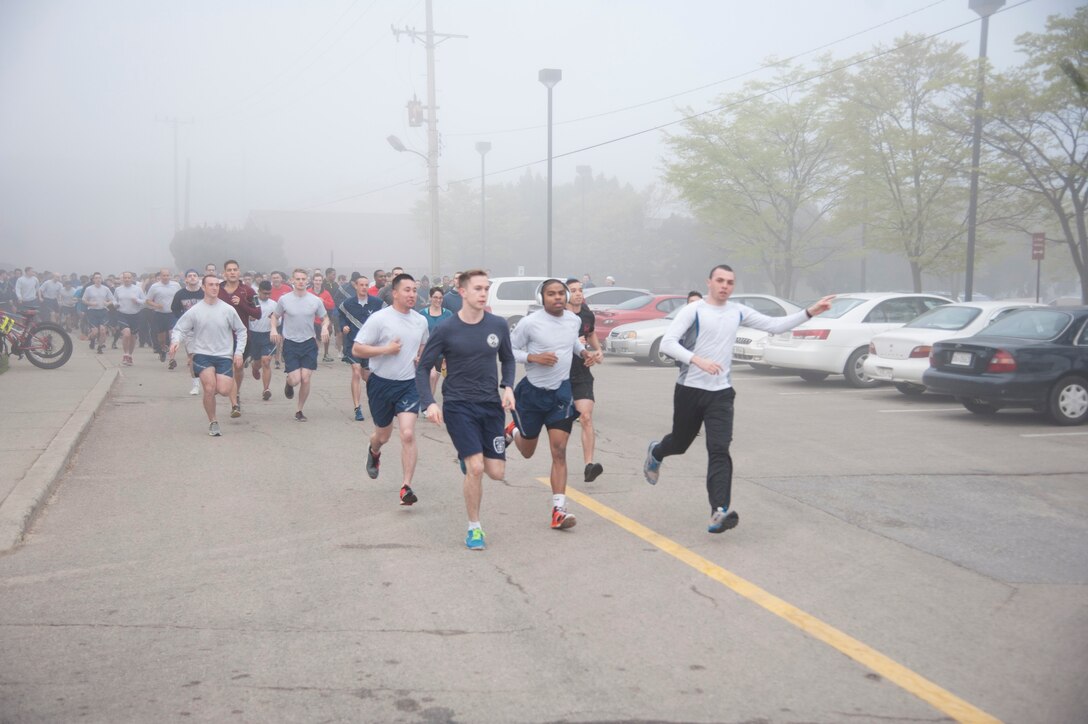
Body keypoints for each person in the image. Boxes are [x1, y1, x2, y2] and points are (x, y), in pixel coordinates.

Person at [642, 264, 834, 533]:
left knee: (719, 450)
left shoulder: (737, 311)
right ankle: (657, 451)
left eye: (730, 282)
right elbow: (668, 343)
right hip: (690, 390)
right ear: (709, 282)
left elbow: (776, 326)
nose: (725, 286)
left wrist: (810, 312)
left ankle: (718, 511)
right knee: (680, 443)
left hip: (721, 393)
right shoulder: (693, 310)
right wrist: (697, 360)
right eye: (720, 280)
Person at [416, 270, 516, 551]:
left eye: (486, 288)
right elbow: (423, 368)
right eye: (478, 289)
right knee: (476, 468)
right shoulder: (446, 329)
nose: (483, 293)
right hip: (459, 405)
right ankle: (474, 528)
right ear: (462, 292)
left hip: (490, 406)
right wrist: (429, 403)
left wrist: (507, 387)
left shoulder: (497, 325)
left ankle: (484, 447)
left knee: (496, 472)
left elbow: (507, 359)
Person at [505, 279, 598, 530]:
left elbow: (573, 342)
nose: (556, 298)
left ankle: (559, 510)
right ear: (541, 298)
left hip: (561, 394)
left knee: (559, 451)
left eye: (560, 293)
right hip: (532, 394)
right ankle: (513, 431)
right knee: (527, 451)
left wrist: (583, 353)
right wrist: (532, 357)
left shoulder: (573, 320)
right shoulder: (529, 323)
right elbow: (508, 350)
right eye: (551, 294)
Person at [353, 273, 429, 507]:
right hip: (381, 384)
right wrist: (386, 350)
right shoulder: (380, 319)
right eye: (407, 290)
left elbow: (423, 341)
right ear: (394, 293)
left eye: (414, 290)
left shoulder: (420, 321)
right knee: (383, 436)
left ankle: (406, 487)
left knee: (407, 433)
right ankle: (374, 451)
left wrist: (420, 356)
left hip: (408, 385)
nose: (412, 294)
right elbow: (357, 349)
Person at [170, 275, 247, 437]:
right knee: (210, 388)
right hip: (202, 354)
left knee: (224, 390)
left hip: (224, 355)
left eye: (216, 285)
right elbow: (179, 328)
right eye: (210, 285)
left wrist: (238, 352)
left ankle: (213, 395)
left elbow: (241, 330)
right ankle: (213, 421)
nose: (214, 288)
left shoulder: (227, 309)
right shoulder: (195, 310)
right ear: (203, 288)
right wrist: (175, 341)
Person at [270, 268, 330, 422]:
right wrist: (273, 329)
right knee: (295, 379)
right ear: (292, 280)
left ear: (307, 281)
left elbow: (325, 318)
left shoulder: (315, 300)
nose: (301, 282)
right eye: (298, 279)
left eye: (303, 279)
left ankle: (299, 410)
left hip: (309, 342)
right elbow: (275, 316)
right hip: (290, 342)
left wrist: (324, 327)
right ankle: (288, 383)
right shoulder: (284, 299)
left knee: (306, 378)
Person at [565, 278, 606, 482]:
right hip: (560, 374)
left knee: (586, 417)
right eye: (573, 290)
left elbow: (590, 334)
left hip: (582, 372)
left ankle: (589, 465)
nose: (578, 294)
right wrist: (571, 342)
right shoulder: (558, 315)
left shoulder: (587, 314)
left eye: (580, 290)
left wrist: (597, 351)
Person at [218, 260, 262, 417]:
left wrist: (242, 304)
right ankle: (234, 405)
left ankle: (236, 393)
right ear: (224, 273)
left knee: (238, 368)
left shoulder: (249, 291)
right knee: (229, 368)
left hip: (242, 337)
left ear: (239, 272)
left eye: (235, 269)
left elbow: (258, 313)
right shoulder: (217, 290)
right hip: (222, 337)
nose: (232, 272)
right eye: (229, 270)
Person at [338, 275, 382, 421]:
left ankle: (379, 403)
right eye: (361, 285)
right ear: (355, 286)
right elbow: (340, 314)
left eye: (366, 285)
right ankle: (357, 408)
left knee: (367, 377)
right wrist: (343, 325)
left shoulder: (376, 303)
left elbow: (387, 316)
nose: (364, 287)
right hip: (353, 343)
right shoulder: (348, 304)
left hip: (370, 345)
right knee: (356, 371)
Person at [171, 269, 206, 394]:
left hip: (206, 329)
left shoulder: (205, 292)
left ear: (198, 278)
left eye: (194, 275)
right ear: (185, 279)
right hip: (190, 331)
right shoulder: (180, 294)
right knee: (192, 357)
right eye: (189, 276)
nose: (192, 278)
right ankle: (195, 385)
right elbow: (174, 309)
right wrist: (183, 319)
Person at [247, 281, 278, 401]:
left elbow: (279, 320)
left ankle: (266, 389)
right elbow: (245, 316)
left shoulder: (274, 304)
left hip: (268, 335)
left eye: (269, 293)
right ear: (259, 291)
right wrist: (250, 317)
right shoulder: (253, 302)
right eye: (265, 293)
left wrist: (275, 321)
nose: (267, 296)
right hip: (254, 335)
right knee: (258, 362)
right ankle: (254, 368)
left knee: (266, 361)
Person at [146, 268, 181, 363]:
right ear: (160, 276)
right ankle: (162, 350)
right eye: (164, 275)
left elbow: (180, 297)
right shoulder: (155, 287)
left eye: (167, 275)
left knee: (172, 334)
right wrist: (156, 305)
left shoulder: (176, 285)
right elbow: (148, 300)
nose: (166, 277)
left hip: (172, 314)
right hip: (160, 314)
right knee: (162, 338)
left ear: (170, 276)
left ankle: (172, 358)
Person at [423, 286, 453, 396]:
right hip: (426, 352)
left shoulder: (448, 314)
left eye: (440, 298)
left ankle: (428, 403)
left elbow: (451, 333)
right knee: (432, 376)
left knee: (434, 380)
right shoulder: (422, 314)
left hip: (442, 354)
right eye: (435, 297)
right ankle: (426, 403)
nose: (438, 300)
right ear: (430, 298)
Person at [113, 271, 146, 366]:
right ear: (122, 279)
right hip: (122, 314)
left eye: (129, 278)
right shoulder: (118, 289)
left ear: (132, 279)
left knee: (133, 337)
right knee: (126, 333)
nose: (127, 279)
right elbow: (114, 299)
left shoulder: (138, 289)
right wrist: (115, 304)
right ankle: (125, 354)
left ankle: (130, 355)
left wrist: (137, 300)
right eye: (125, 278)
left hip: (135, 315)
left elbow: (144, 301)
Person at [80, 272, 115, 354]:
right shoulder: (89, 289)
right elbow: (83, 300)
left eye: (99, 278)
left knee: (102, 331)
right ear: (93, 280)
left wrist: (107, 303)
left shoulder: (106, 288)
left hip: (103, 311)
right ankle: (92, 340)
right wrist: (91, 303)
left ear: (101, 279)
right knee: (95, 332)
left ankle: (99, 347)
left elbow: (112, 299)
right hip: (92, 311)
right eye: (96, 278)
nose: (98, 279)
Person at [309, 272, 336, 361]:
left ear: (322, 282)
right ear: (313, 281)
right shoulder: (308, 292)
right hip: (310, 320)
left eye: (319, 280)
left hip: (322, 320)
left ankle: (324, 354)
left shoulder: (326, 293)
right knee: (312, 339)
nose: (318, 282)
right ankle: (311, 355)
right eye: (316, 280)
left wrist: (323, 301)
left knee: (322, 338)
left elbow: (331, 305)